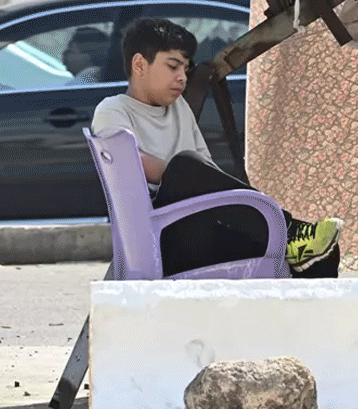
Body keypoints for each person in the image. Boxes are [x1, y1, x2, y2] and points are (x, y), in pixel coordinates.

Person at [91, 17, 342, 277]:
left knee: (319, 255)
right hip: (162, 237)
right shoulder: (113, 110)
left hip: (201, 227)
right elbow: (133, 166)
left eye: (185, 69)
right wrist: (184, 174)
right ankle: (287, 230)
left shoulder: (179, 109)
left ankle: (299, 289)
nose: (182, 78)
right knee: (183, 167)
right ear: (140, 64)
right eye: (173, 66)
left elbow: (207, 177)